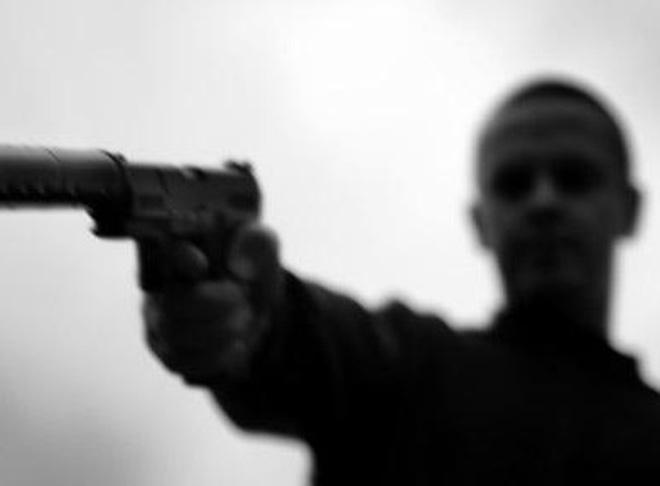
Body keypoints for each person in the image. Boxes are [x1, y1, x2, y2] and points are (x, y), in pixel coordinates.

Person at [141, 77, 660, 485]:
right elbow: (315, 343)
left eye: (575, 177)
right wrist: (254, 319)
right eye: (513, 184)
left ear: (632, 207)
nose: (543, 201)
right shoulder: (412, 369)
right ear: (480, 222)